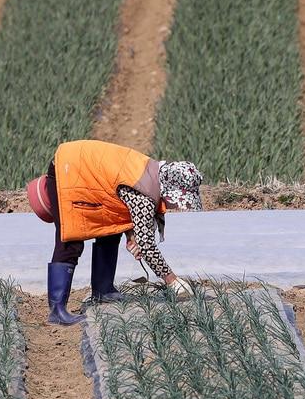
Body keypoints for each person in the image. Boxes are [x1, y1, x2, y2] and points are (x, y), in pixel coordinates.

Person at [38, 139, 202, 326]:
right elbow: (147, 245)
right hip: (68, 171)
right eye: (179, 202)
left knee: (111, 228)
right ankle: (57, 311)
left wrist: (131, 235)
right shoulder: (144, 194)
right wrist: (172, 281)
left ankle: (103, 290)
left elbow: (121, 199)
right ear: (171, 191)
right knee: (71, 240)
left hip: (88, 173)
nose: (176, 206)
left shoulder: (151, 172)